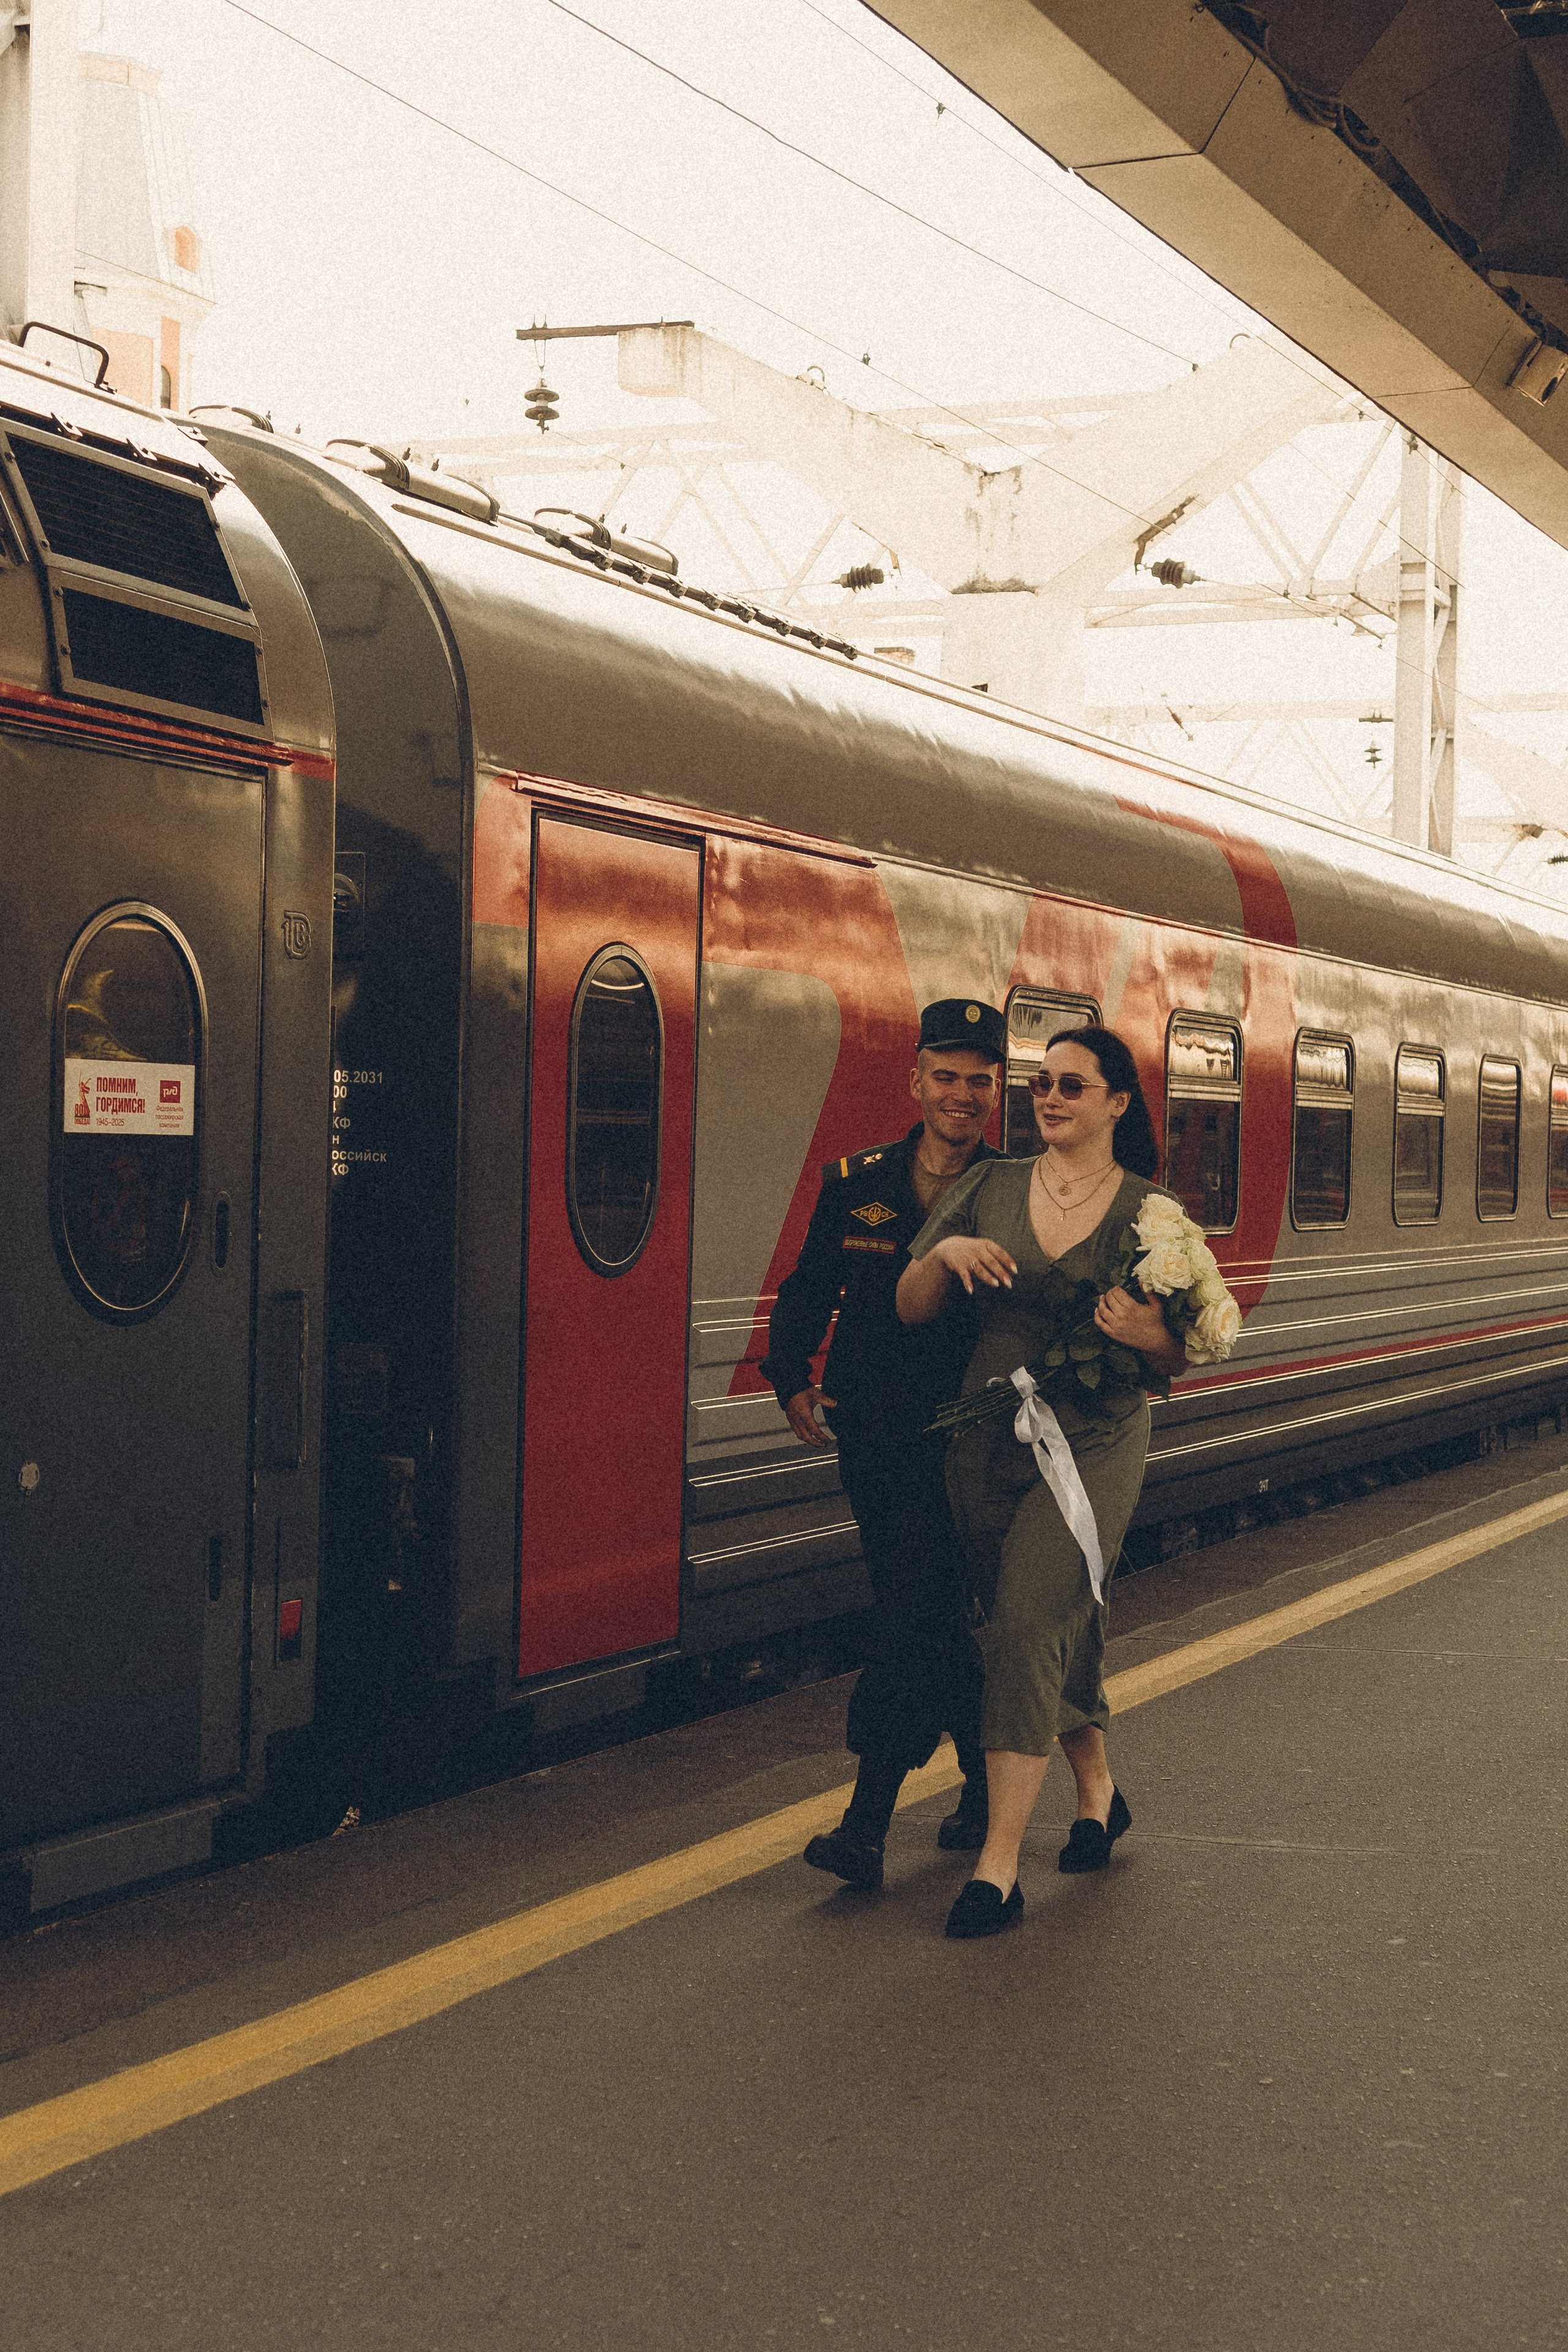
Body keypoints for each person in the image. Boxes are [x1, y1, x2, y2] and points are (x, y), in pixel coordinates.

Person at [895, 1024, 1189, 1939]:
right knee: (1042, 1625)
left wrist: (1151, 1340)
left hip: (1094, 1439)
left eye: (1071, 1085)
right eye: (1041, 1086)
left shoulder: (1153, 1216)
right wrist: (940, 1258)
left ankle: (996, 1868)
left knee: (1026, 1622)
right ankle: (1099, 1791)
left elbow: (1180, 1351)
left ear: (1115, 1102)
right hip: (985, 1439)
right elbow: (909, 1305)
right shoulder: (987, 1186)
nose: (1050, 1099)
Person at [760, 999, 1008, 1893]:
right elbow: (808, 1286)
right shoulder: (857, 1181)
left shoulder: (1011, 1189)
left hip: (972, 1435)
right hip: (874, 1430)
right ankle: (982, 1786)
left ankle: (866, 1823)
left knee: (911, 1605)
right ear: (916, 1081)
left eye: (980, 1080)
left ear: (995, 1090)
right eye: (947, 1077)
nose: (962, 1095)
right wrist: (789, 1374)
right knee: (929, 1607)